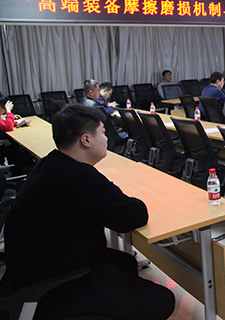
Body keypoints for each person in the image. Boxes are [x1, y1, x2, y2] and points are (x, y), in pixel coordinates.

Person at [2, 104, 175, 320]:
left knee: (125, 262)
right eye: (103, 132)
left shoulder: (51, 162)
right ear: (86, 140)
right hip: (55, 286)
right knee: (163, 300)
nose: (106, 138)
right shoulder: (77, 176)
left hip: (33, 271)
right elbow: (134, 215)